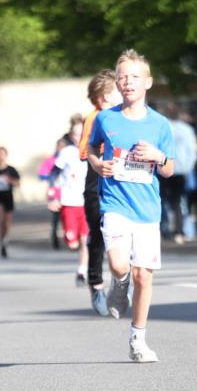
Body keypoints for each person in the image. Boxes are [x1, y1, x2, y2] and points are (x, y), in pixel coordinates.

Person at [88, 49, 175, 363]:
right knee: (120, 266)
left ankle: (138, 339)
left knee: (144, 277)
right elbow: (92, 150)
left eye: (134, 77)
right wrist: (98, 165)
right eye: (122, 77)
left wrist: (158, 157)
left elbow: (170, 169)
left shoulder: (160, 124)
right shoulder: (105, 118)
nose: (127, 82)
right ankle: (118, 283)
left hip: (148, 210)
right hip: (114, 204)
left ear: (147, 82)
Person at [78, 69, 121, 316]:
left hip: (120, 180)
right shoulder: (95, 118)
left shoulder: (123, 116)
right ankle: (96, 284)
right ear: (105, 97)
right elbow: (85, 151)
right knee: (99, 234)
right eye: (116, 91)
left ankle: (120, 281)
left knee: (123, 232)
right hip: (96, 181)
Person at [54, 120, 89, 284]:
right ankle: (68, 235)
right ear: (71, 135)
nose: (78, 137)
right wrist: (53, 196)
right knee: (73, 244)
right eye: (75, 134)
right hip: (69, 201)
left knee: (85, 240)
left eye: (81, 133)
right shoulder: (66, 152)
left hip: (87, 202)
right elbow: (54, 174)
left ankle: (82, 272)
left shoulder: (93, 149)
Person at [160, 103, 197, 244]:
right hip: (180, 169)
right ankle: (179, 232)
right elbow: (192, 151)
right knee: (178, 202)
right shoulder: (186, 129)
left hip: (164, 167)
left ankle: (165, 230)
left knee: (162, 200)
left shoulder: (162, 128)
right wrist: (187, 167)